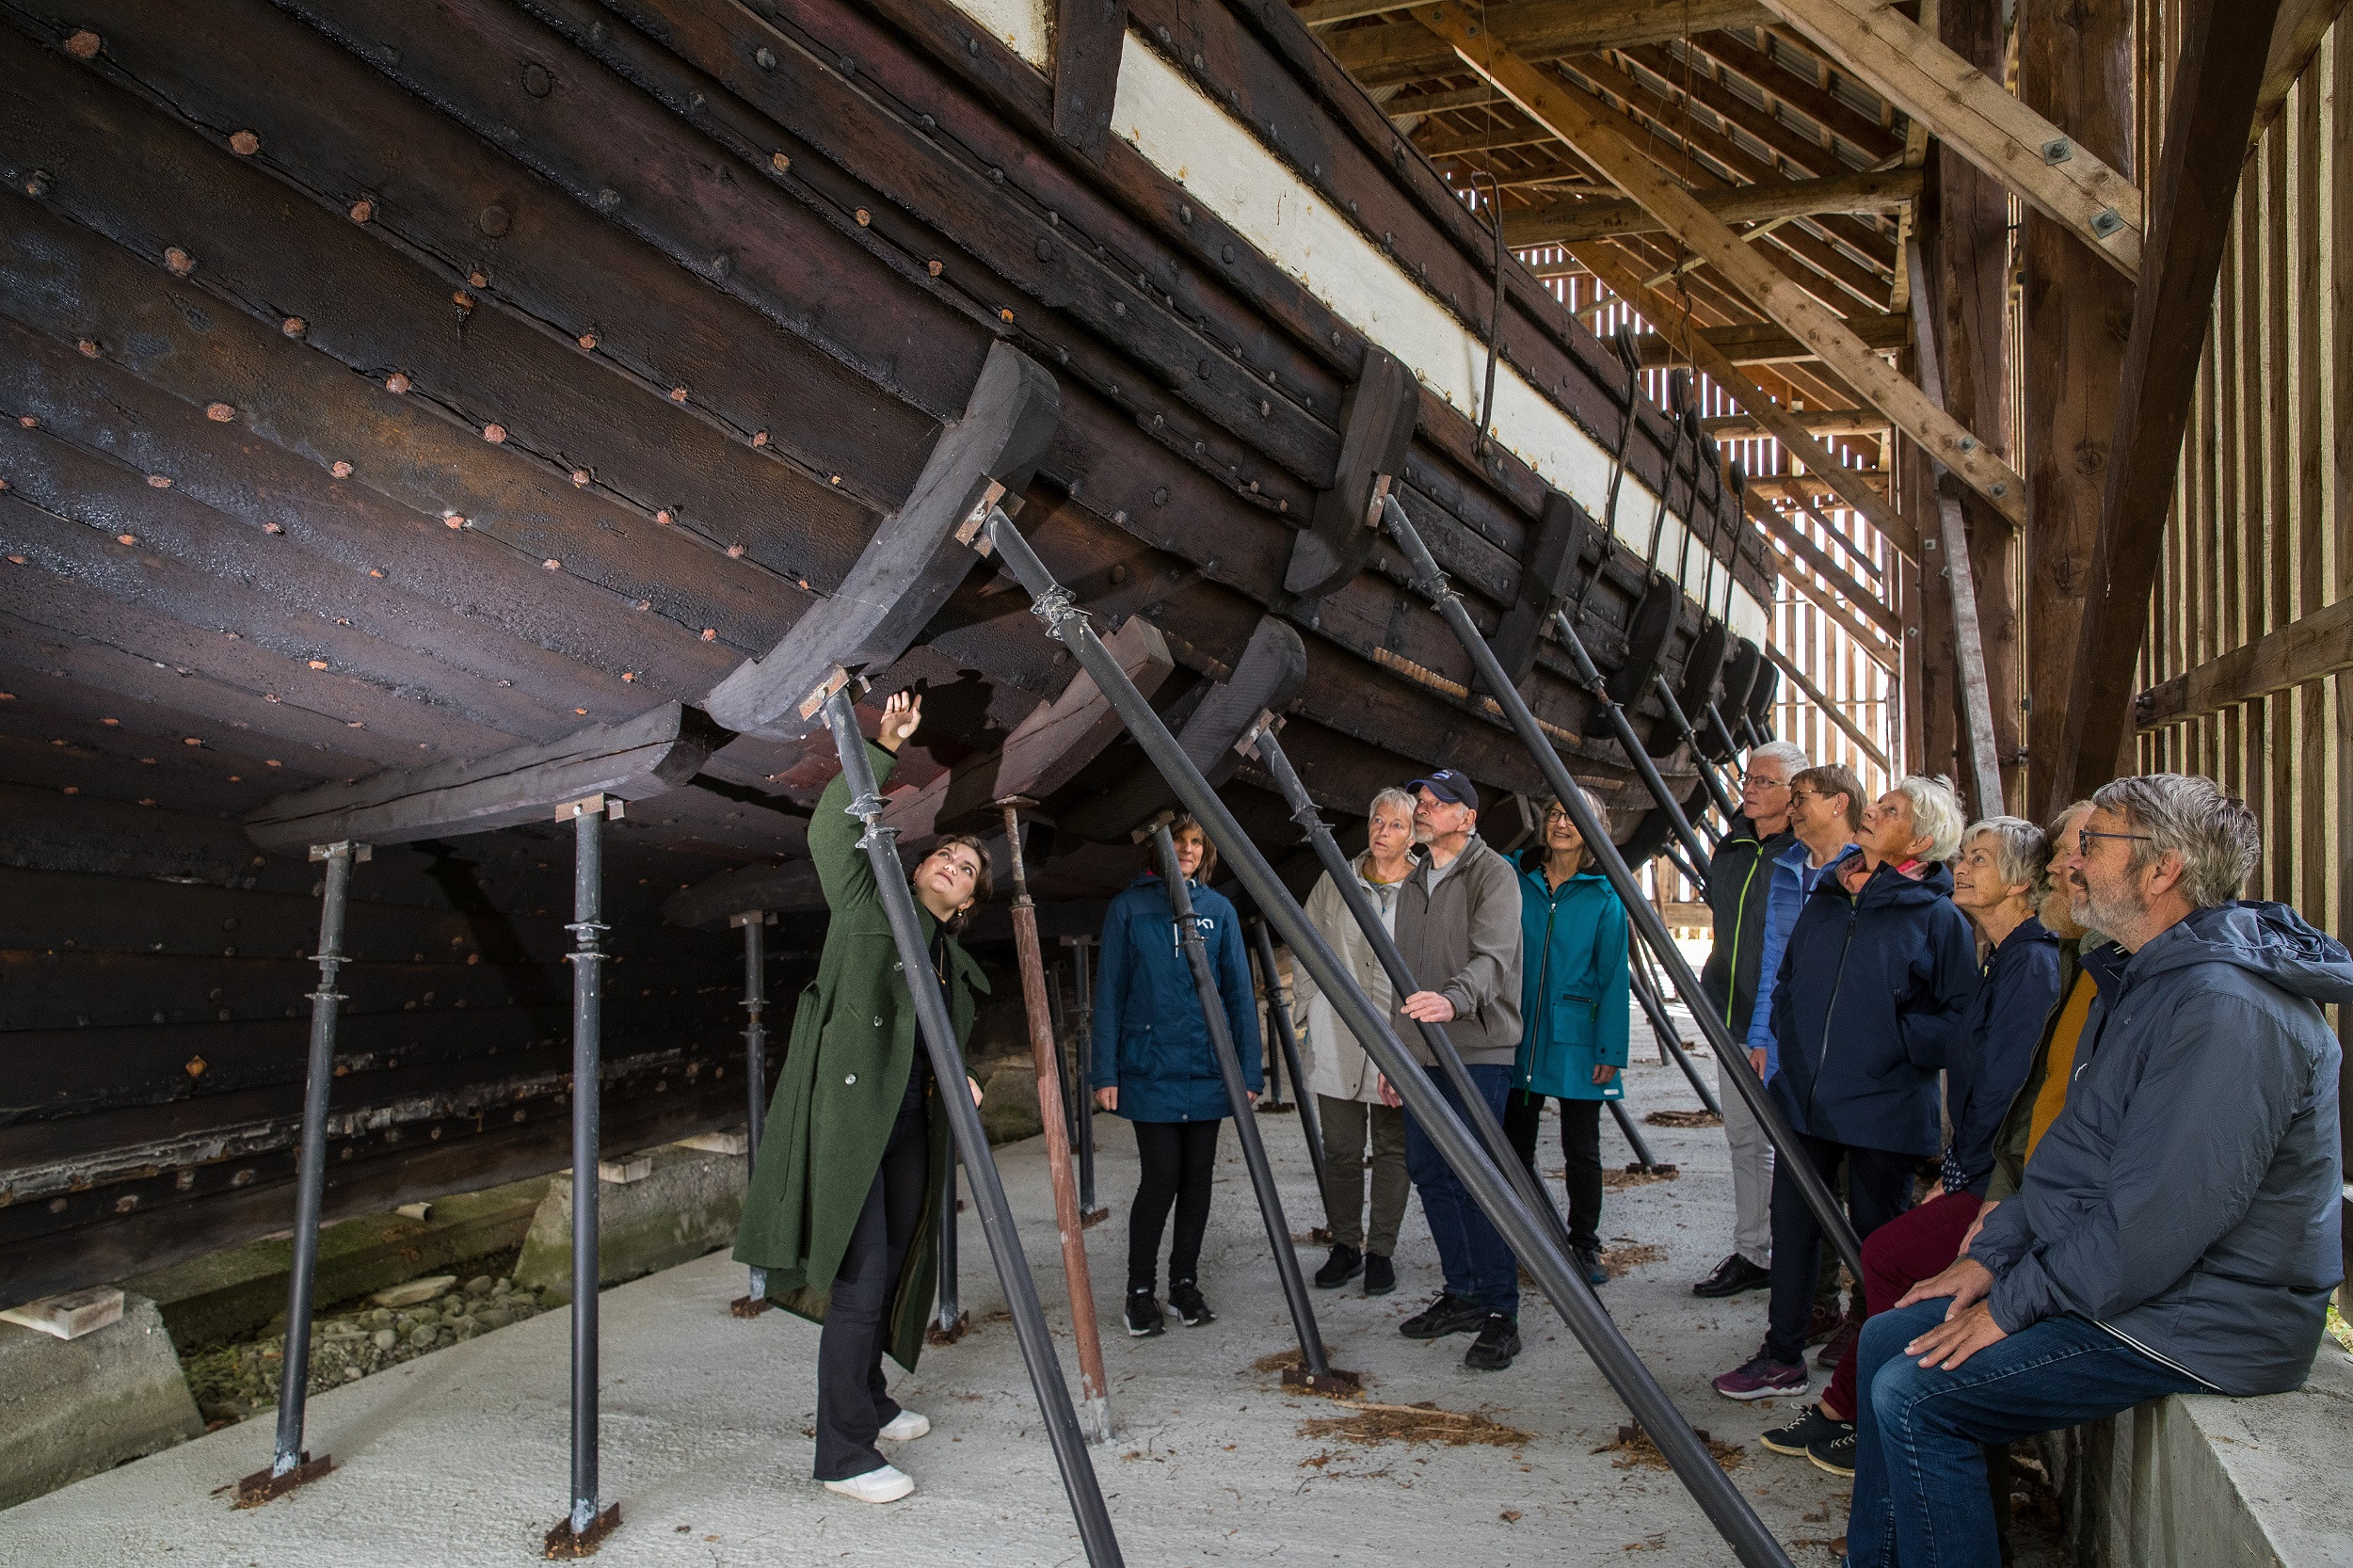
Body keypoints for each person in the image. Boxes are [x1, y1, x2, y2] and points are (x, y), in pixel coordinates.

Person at [1844, 775, 2347, 1568]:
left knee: (1919, 1396)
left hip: (2216, 1316)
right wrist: (1994, 1256)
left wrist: (2015, 1303)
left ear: (2161, 871)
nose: (2066, 862)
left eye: (2090, 843)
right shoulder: (2145, 977)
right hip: (2160, 1285)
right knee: (1887, 1340)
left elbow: (2158, 1221)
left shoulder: (2226, 1010)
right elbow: (2075, 1158)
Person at [734, 690, 991, 1506]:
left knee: (892, 1266)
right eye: (945, 856)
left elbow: (930, 1037)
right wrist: (880, 748)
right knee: (861, 1276)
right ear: (917, 868)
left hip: (909, 1123)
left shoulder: (951, 962)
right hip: (851, 1119)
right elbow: (827, 832)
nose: (952, 865)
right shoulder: (867, 904)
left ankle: (870, 1399)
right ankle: (843, 1455)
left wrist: (964, 1074)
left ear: (968, 903)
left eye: (967, 869)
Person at [1764, 813, 2061, 1475]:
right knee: (1889, 1254)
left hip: (2001, 1180)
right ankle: (1852, 1410)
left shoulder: (2029, 964)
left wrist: (1968, 1176)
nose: (1966, 867)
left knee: (1890, 1253)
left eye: (1980, 858)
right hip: (1979, 1168)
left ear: (2019, 885)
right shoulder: (2006, 956)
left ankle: (1873, 1417)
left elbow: (2006, 1091)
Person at [1712, 775, 1977, 1401]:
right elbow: (1786, 980)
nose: (1873, 813)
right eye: (1878, 805)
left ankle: (1871, 1356)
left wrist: (1895, 1043)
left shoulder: (1938, 918)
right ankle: (1782, 1354)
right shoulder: (1828, 897)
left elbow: (1960, 1019)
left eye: (1890, 811)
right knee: (1793, 1225)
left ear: (1921, 838)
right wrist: (1788, 1042)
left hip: (1885, 1105)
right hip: (1805, 1100)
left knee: (1876, 1239)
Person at [1091, 815, 1261, 1339]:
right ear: (1156, 849)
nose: (1186, 850)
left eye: (1195, 843)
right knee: (1161, 1177)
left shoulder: (1218, 910)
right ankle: (1139, 1292)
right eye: (1178, 842)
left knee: (1198, 1181)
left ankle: (1183, 1284)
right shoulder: (1130, 908)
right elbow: (1110, 993)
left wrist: (1247, 1070)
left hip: (1208, 1070)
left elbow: (1239, 995)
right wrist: (1105, 1070)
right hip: (1151, 1068)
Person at [1379, 768, 1527, 1370]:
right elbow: (1402, 978)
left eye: (1436, 804)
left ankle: (1501, 1311)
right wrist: (1397, 1054)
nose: (1422, 810)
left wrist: (1454, 1000)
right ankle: (1462, 1291)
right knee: (1427, 1169)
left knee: (1478, 1177)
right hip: (1423, 1053)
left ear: (1467, 816)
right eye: (1420, 801)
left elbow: (1494, 959)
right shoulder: (1415, 880)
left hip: (1476, 1049)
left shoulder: (1494, 875)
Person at [1743, 763, 1866, 1352]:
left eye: (1801, 798)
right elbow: (1771, 959)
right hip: (1793, 1042)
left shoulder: (1863, 871)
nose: (1790, 807)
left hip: (1844, 1044)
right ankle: (1818, 1304)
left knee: (1854, 1182)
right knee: (1800, 1179)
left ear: (1838, 803)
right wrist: (1761, 1036)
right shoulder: (1788, 867)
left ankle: (1864, 1311)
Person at [1691, 741, 1810, 1299]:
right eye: (1749, 778)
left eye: (1764, 782)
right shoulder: (1732, 846)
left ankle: (1801, 1252)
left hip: (1785, 1020)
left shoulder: (1804, 854)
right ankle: (1753, 1251)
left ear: (1794, 797)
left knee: (1795, 1142)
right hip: (1728, 1009)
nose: (1750, 788)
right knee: (1744, 1138)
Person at [1503, 787, 1629, 1288]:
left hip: (1577, 1034)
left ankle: (1584, 1243)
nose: (1561, 823)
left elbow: (1612, 978)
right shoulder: (1516, 877)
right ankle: (1522, 1235)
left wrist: (1610, 1049)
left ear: (1594, 830)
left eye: (1575, 816)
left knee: (1582, 1148)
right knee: (1515, 1143)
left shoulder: (1604, 896)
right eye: (1555, 812)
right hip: (1520, 1030)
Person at [1293, 788, 1417, 1297]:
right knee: (1341, 1148)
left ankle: (1381, 1251)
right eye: (1376, 821)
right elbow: (1305, 940)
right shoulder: (1337, 879)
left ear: (1413, 835)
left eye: (1394, 825)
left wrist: (1417, 1039)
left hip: (1397, 1034)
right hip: (1337, 1029)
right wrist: (1306, 1009)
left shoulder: (1424, 887)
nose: (1381, 832)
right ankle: (1345, 1246)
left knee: (1393, 1148)